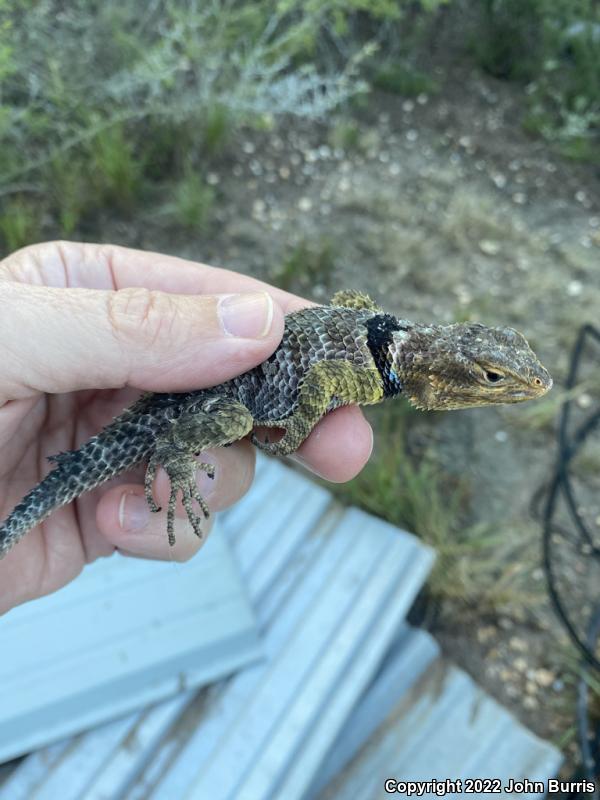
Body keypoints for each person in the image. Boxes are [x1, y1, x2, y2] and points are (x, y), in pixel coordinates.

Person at [0, 241, 373, 615]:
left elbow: (348, 300)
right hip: (216, 389)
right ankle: (173, 448)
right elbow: (324, 375)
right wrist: (296, 432)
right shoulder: (372, 377)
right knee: (238, 422)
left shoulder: (372, 324)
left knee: (229, 435)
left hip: (213, 390)